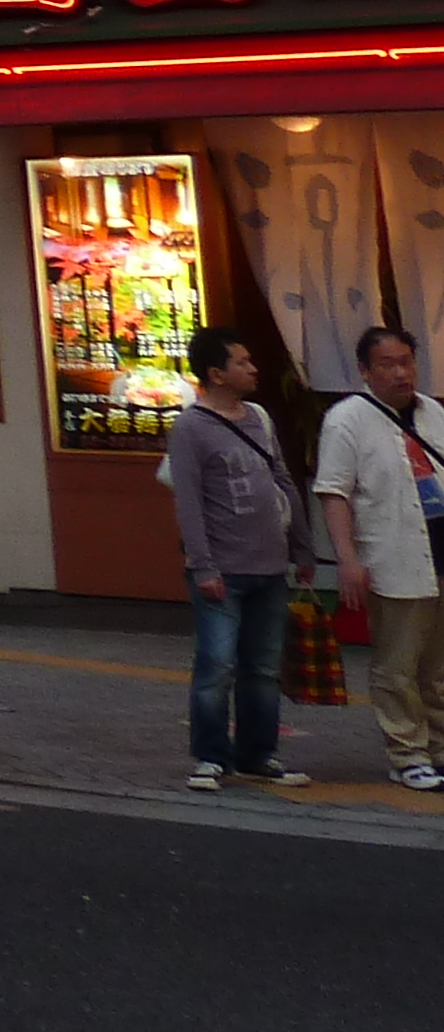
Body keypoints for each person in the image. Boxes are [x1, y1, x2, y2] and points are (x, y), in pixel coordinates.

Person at [168, 329, 315, 794]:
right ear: (216, 374)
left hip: (270, 568)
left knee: (263, 668)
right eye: (243, 362)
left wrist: (303, 547)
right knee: (216, 665)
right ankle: (211, 757)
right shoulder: (190, 427)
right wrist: (204, 565)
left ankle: (258, 753)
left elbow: (283, 480)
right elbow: (188, 502)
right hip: (222, 571)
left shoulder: (259, 418)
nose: (253, 369)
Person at [313, 322, 444, 794]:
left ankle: (440, 749)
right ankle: (406, 753)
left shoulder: (432, 412)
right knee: (397, 665)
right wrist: (347, 559)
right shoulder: (347, 419)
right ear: (365, 371)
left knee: (439, 666)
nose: (400, 372)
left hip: (439, 549)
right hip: (393, 555)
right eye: (387, 364)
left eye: (406, 362)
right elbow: (334, 492)